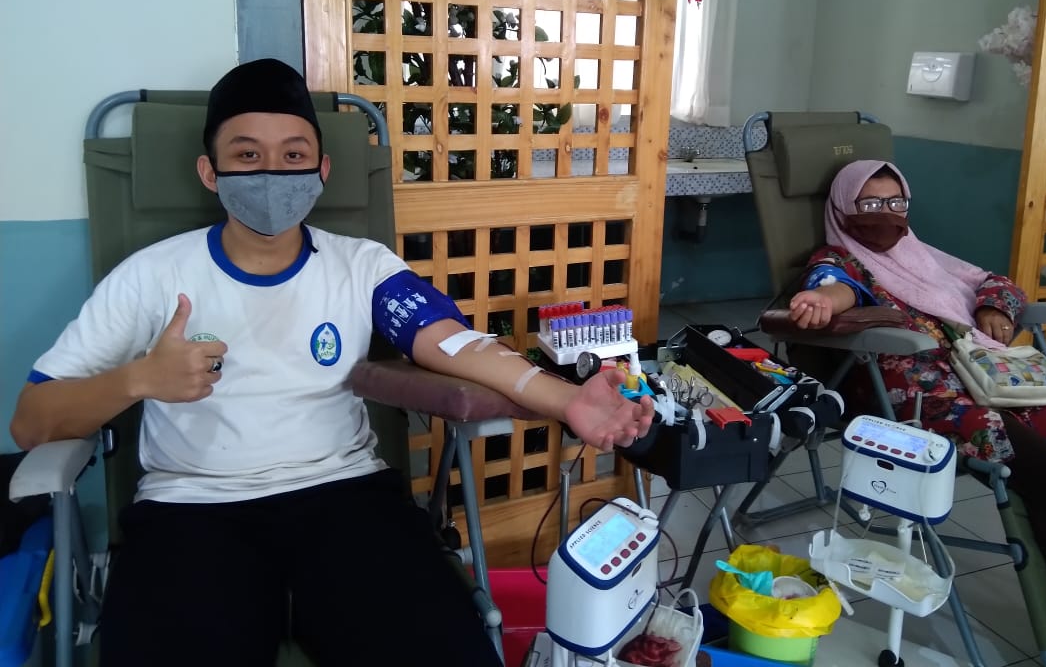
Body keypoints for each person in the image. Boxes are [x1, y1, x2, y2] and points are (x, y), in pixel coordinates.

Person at [9, 58, 655, 667]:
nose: (272, 174)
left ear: (321, 170)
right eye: (247, 155)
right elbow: (32, 421)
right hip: (191, 512)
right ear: (210, 172)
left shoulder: (361, 265)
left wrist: (566, 398)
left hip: (346, 503)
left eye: (293, 156)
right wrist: (139, 379)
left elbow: (453, 343)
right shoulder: (151, 277)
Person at [788, 159, 1046, 667]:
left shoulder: (924, 256)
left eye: (895, 202)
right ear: (844, 207)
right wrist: (821, 301)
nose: (885, 213)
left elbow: (991, 281)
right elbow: (836, 286)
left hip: (996, 381)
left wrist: (992, 309)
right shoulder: (841, 259)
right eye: (869, 203)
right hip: (936, 400)